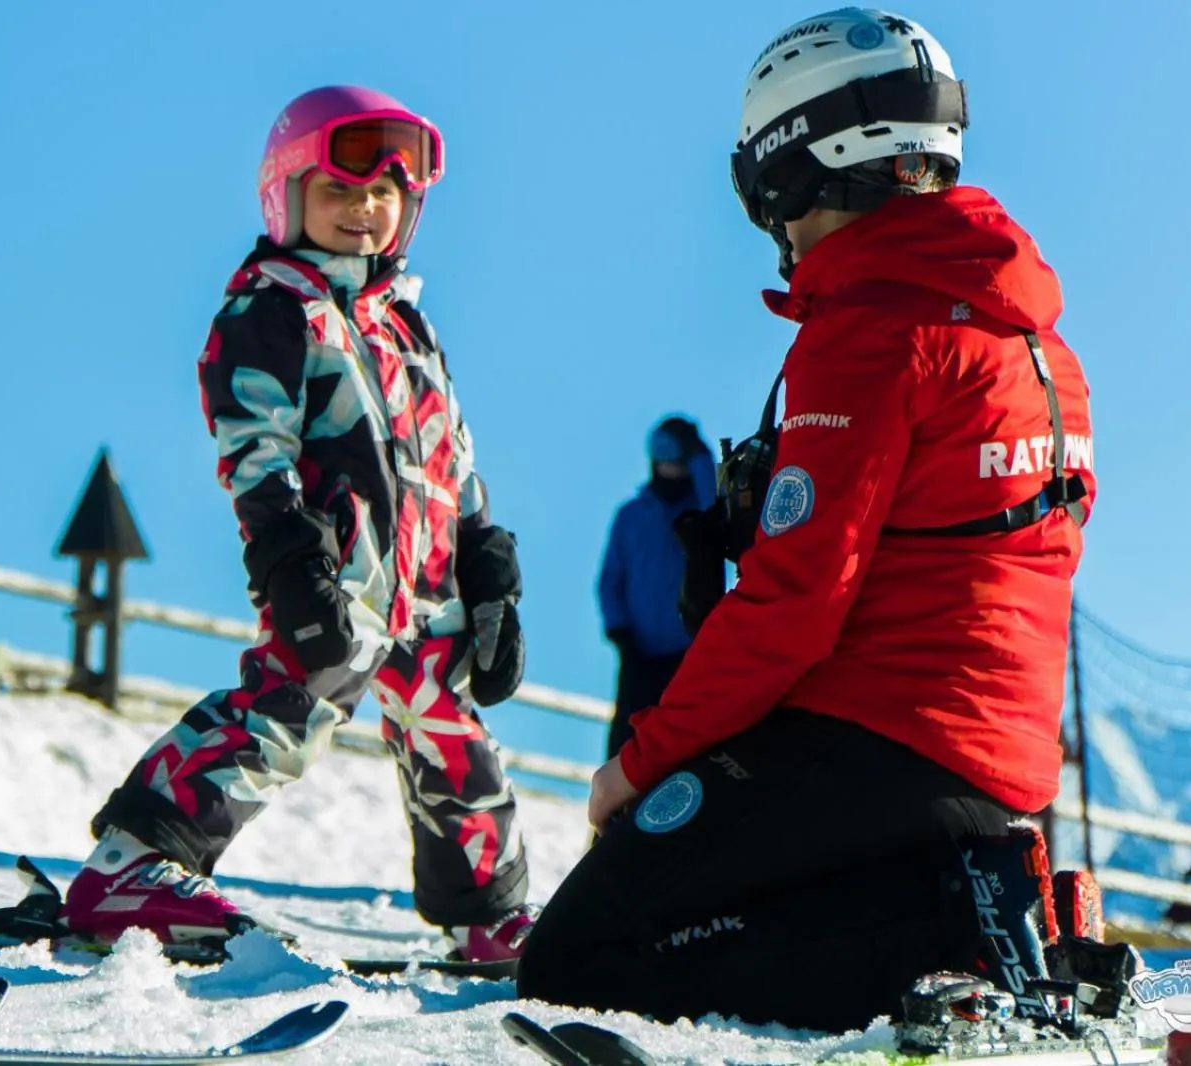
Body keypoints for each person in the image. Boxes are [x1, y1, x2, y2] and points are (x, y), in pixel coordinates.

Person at [517, 8, 1100, 1031]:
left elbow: (795, 605)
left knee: (578, 957)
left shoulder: (876, 326)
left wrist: (635, 764)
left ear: (792, 163)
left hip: (882, 732)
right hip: (991, 757)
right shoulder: (1031, 341)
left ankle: (962, 941)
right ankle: (1007, 915)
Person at [60, 86, 535, 963]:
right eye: (340, 193)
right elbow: (254, 442)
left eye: (384, 196)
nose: (364, 212)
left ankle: (491, 915)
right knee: (287, 709)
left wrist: (488, 563)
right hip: (339, 579)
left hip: (425, 591)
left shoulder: (408, 326)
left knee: (456, 741)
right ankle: (135, 862)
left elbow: (451, 455)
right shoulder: (274, 308)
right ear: (287, 197)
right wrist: (287, 555)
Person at [597, 416, 715, 759]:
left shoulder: (699, 514)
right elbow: (609, 580)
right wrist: (619, 632)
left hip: (689, 655)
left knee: (682, 746)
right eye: (663, 458)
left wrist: (702, 459)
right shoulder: (631, 516)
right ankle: (613, 813)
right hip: (638, 654)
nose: (669, 469)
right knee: (625, 744)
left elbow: (716, 510)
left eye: (679, 461)